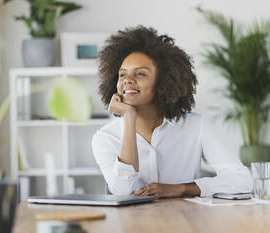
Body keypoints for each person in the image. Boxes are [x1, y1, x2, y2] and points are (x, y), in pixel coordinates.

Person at [92, 26, 253, 198]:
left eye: (140, 74)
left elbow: (242, 180)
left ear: (163, 82)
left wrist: (182, 188)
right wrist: (129, 118)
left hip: (185, 221)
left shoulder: (196, 126)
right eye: (122, 75)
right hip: (132, 224)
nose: (128, 80)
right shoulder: (105, 138)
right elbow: (123, 191)